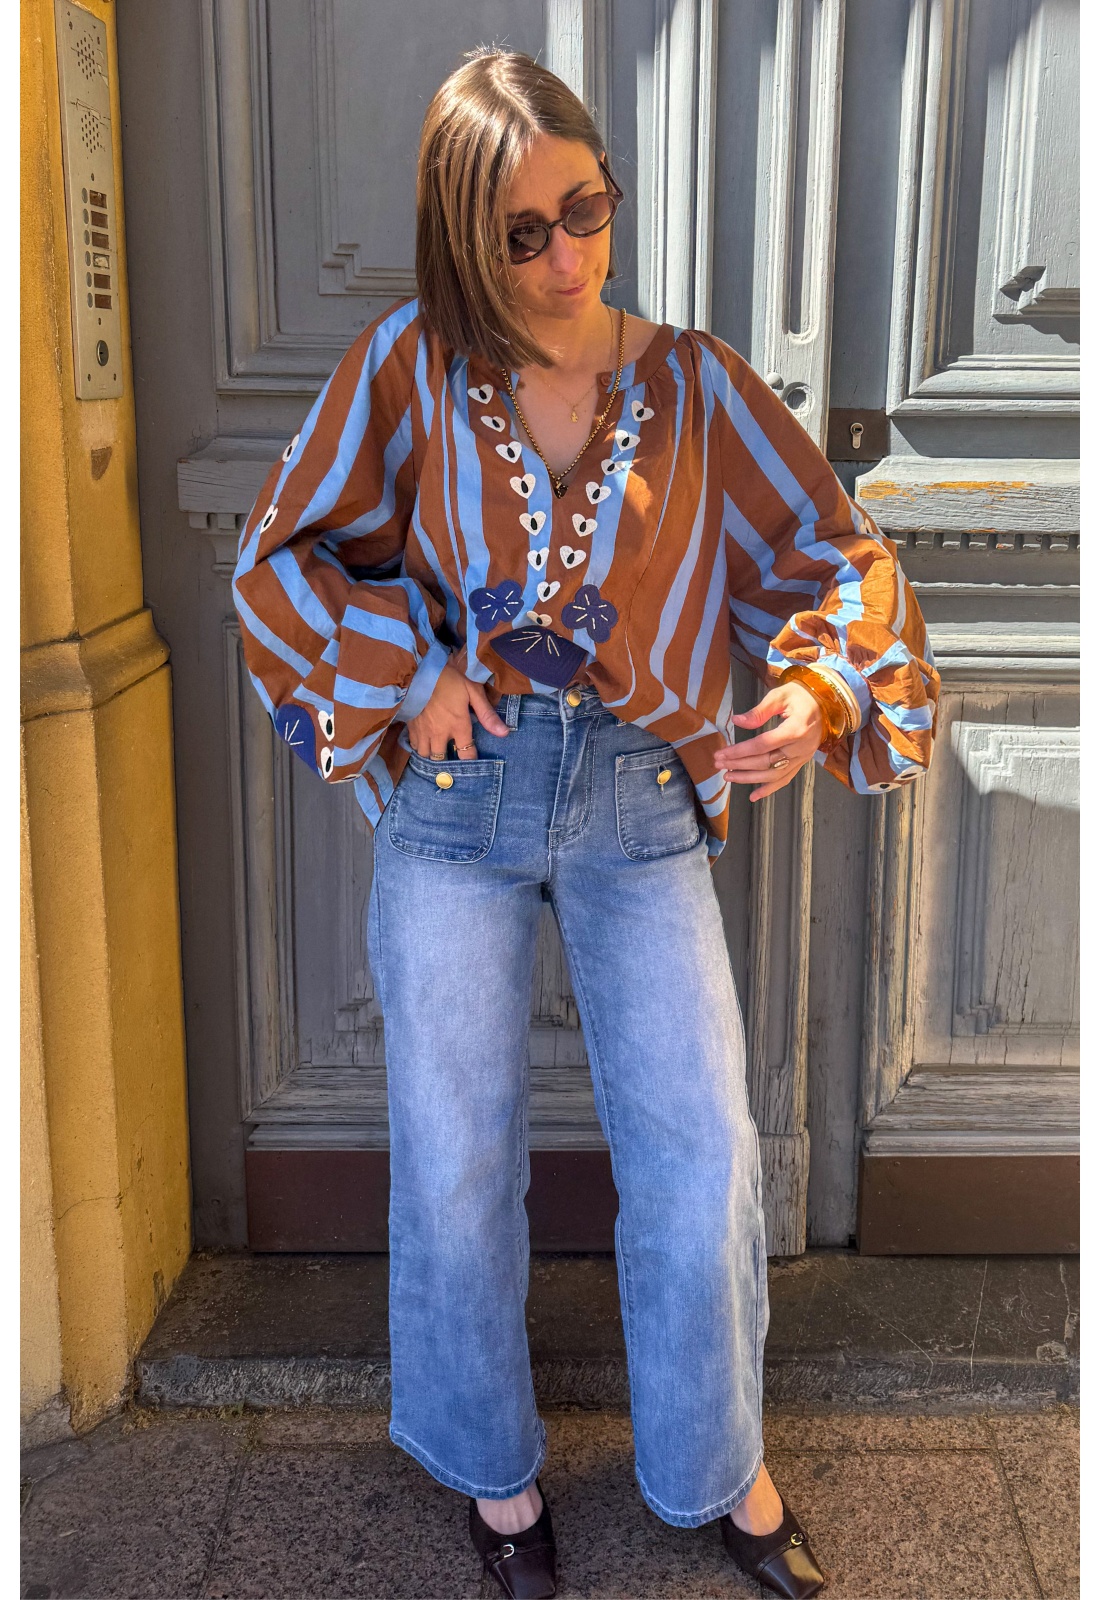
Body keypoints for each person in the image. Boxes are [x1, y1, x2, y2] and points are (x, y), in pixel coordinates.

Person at [232, 47, 938, 1600]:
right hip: (459, 806)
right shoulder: (409, 367)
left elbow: (837, 553)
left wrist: (817, 694)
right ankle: (494, 1477)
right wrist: (410, 674)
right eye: (522, 233)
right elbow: (277, 559)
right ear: (462, 236)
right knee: (456, 1164)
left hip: (638, 799)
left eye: (588, 210)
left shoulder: (693, 383)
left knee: (702, 1155)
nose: (567, 257)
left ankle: (719, 1467)